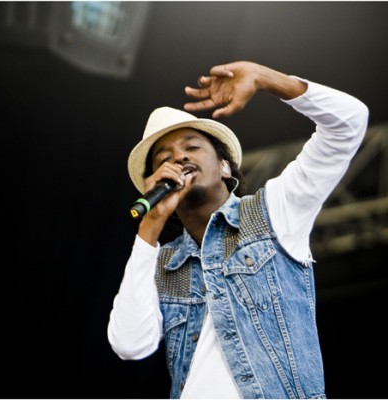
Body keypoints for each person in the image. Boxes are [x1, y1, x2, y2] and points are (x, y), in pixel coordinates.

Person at [107, 61, 369, 399]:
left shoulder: (274, 211)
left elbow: (349, 123)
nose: (179, 159)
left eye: (192, 147)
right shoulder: (163, 263)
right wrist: (151, 225)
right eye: (164, 159)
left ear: (224, 165)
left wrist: (265, 79)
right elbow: (130, 345)